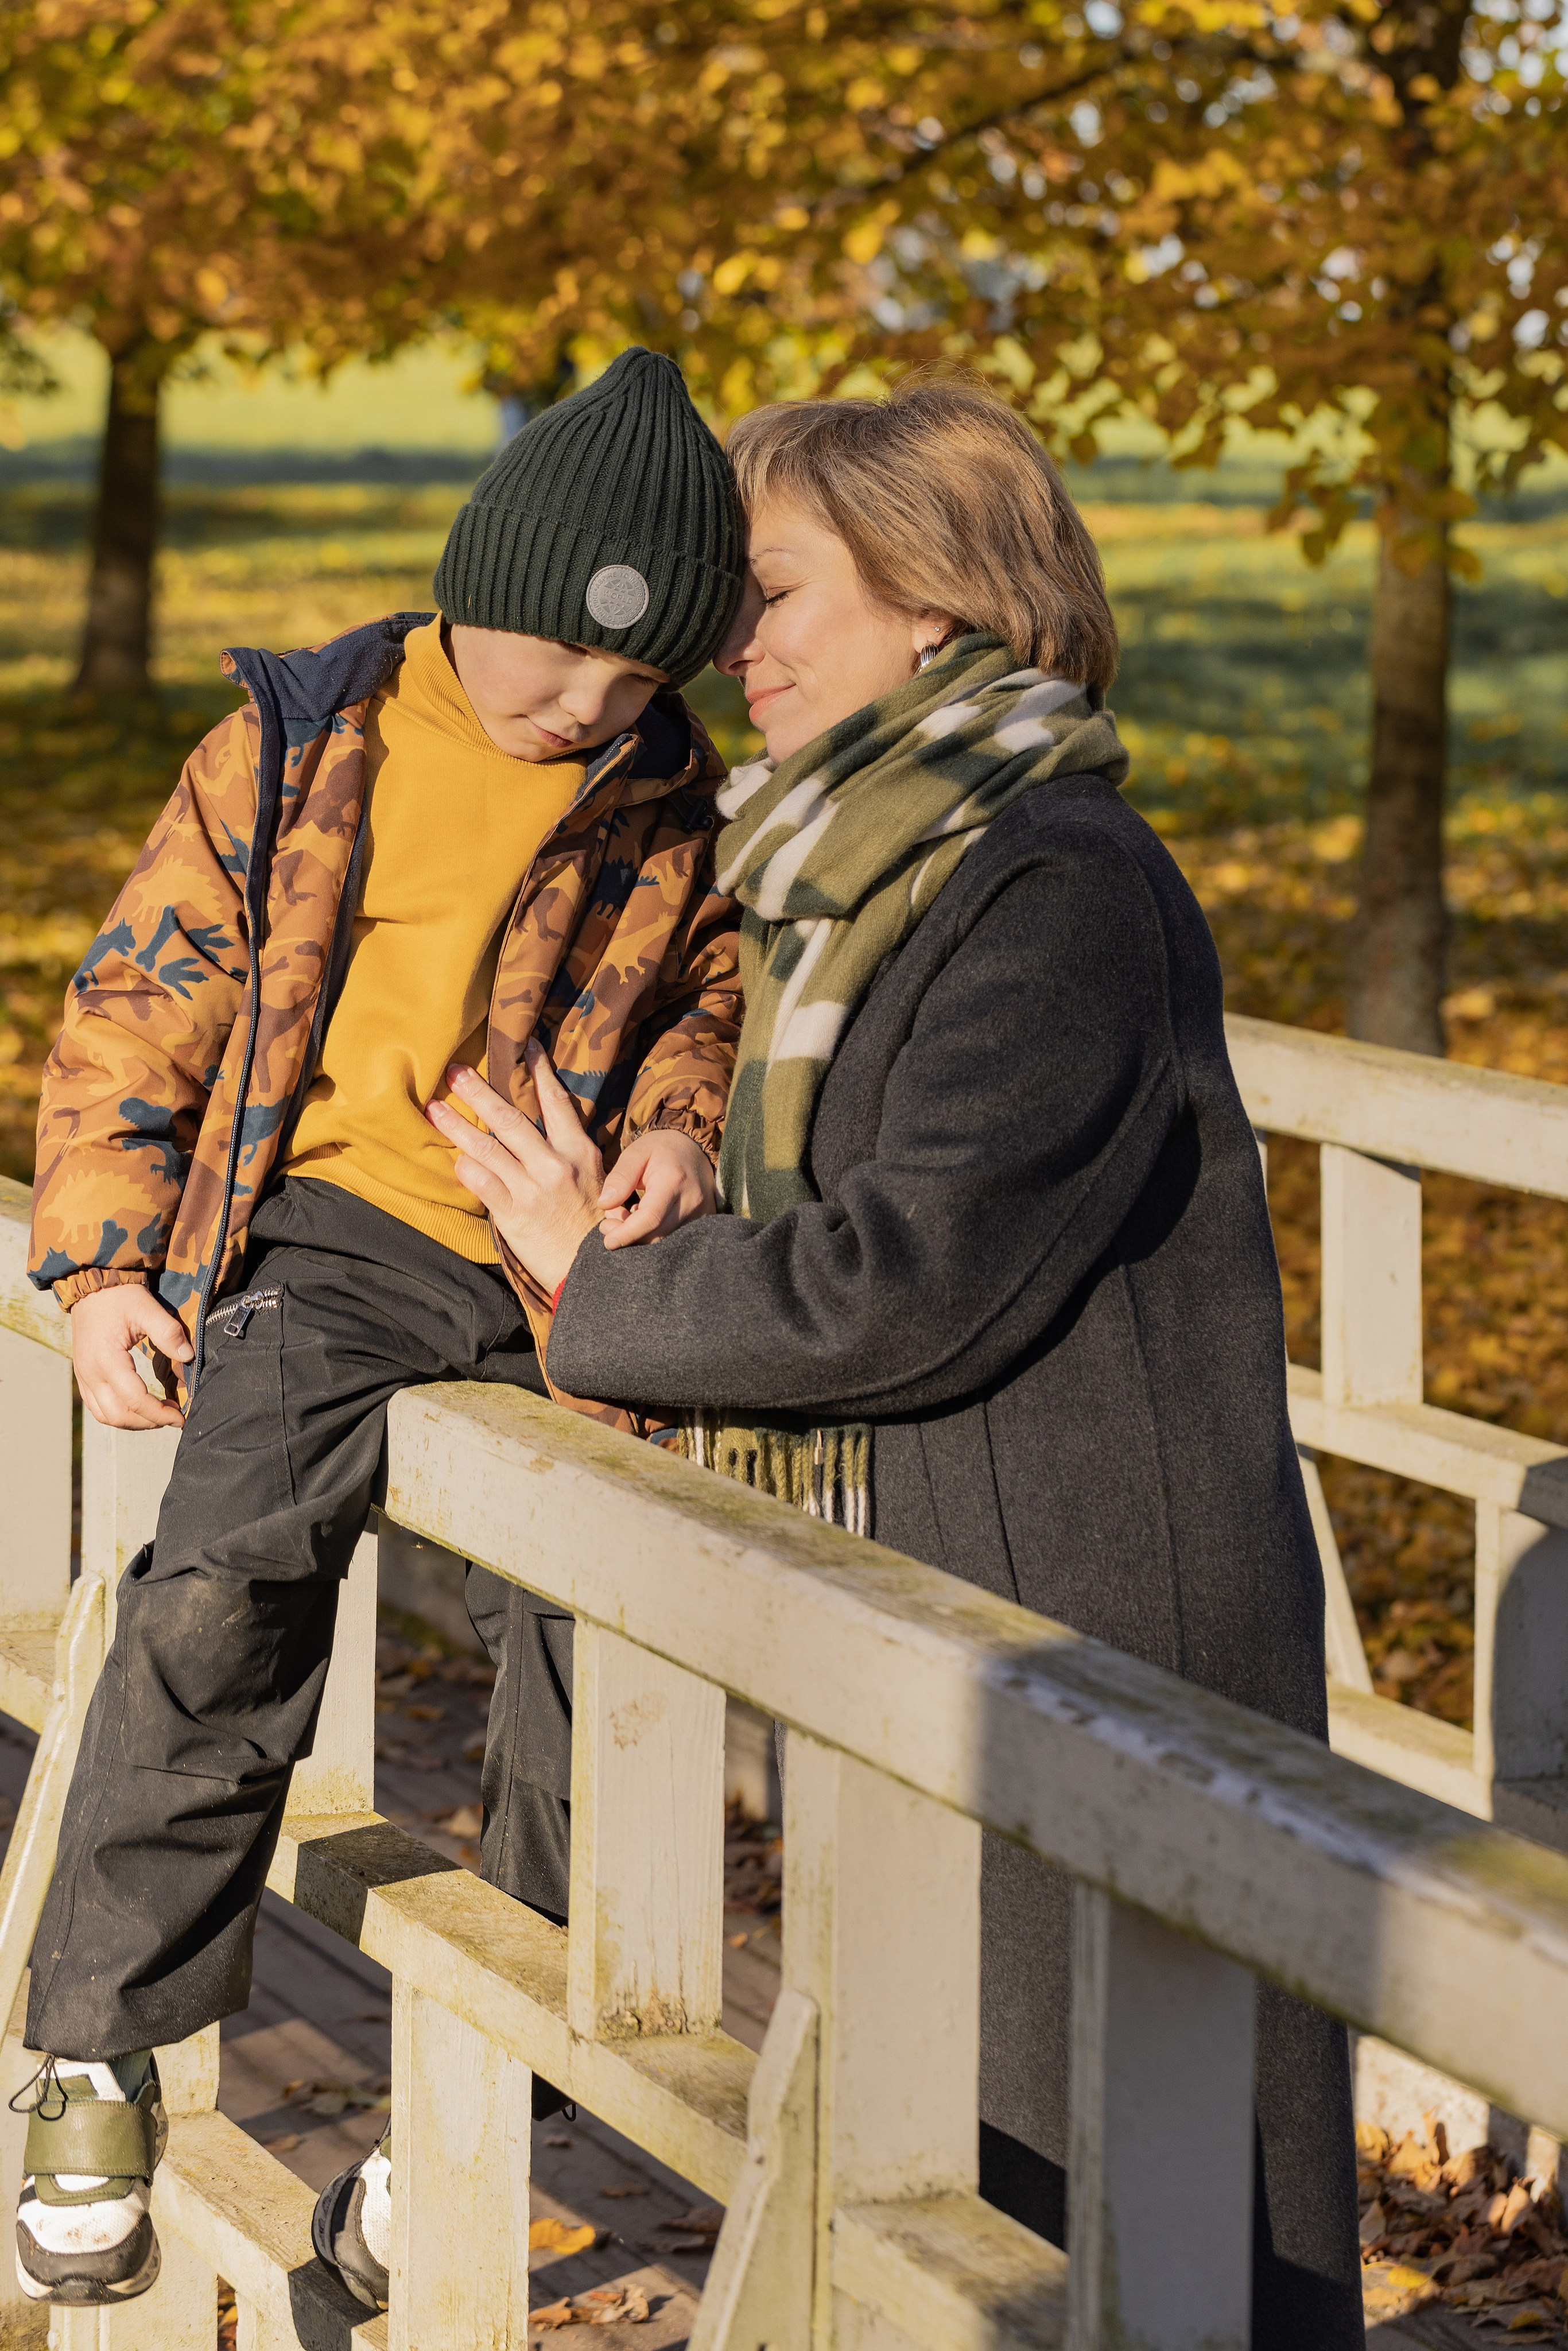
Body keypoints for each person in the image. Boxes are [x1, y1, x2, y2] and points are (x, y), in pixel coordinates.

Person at [428, 372, 1365, 2348]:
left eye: (767, 594)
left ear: (934, 602)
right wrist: (670, 1171)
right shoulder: (843, 865)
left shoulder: (1056, 880)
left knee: (1134, 2218)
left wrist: (591, 1299)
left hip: (1097, 1627)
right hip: (956, 1596)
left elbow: (907, 1275)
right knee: (980, 2206)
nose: (724, 646)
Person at [16, 347, 746, 2311]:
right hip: (328, 1230)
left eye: (629, 684)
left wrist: (678, 1131)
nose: (579, 707)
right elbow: (139, 993)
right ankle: (99, 2043)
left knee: (612, 1646)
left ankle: (476, 2117)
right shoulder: (306, 737)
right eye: (551, 663)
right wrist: (98, 1270)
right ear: (467, 582)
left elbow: (703, 992)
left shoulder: (663, 785)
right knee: (219, 1593)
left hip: (552, 1262)